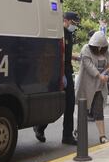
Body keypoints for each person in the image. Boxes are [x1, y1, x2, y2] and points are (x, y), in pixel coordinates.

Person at [33, 12, 80, 145]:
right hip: (57, 71)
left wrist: (75, 57)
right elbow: (54, 54)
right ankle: (39, 127)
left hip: (67, 70)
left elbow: (65, 53)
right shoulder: (58, 33)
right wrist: (60, 74)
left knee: (70, 104)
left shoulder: (69, 34)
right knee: (53, 103)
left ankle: (67, 136)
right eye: (73, 23)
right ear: (66, 20)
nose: (75, 26)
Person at [76, 31, 109, 143]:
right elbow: (88, 65)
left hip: (100, 86)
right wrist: (99, 75)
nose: (100, 49)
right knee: (84, 110)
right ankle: (79, 131)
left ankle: (102, 136)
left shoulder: (106, 52)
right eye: (98, 46)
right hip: (87, 85)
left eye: (102, 46)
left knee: (98, 110)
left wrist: (106, 74)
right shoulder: (86, 49)